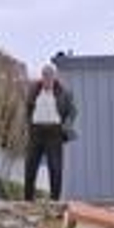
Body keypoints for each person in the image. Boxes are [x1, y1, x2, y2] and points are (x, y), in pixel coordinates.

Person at [24, 63, 76, 201]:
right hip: (36, 131)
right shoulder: (34, 90)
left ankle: (55, 200)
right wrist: (30, 124)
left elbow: (72, 112)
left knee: (55, 166)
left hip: (54, 131)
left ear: (54, 77)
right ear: (42, 77)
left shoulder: (64, 92)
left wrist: (66, 126)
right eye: (44, 76)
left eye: (49, 76)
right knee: (30, 164)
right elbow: (28, 108)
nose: (47, 79)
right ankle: (28, 199)